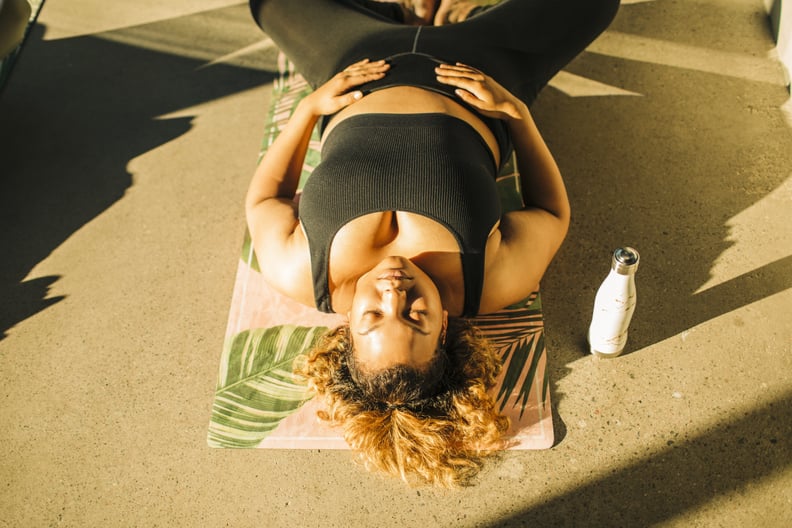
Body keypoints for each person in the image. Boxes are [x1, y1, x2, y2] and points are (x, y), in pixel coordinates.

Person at [246, 0, 620, 486]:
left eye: (374, 315)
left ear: (346, 333)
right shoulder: (487, 281)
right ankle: (453, 16)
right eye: (416, 316)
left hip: (354, 60)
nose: (394, 291)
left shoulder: (302, 271)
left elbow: (265, 199)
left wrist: (309, 108)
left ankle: (404, 12)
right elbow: (552, 212)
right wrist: (516, 112)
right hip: (482, 62)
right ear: (444, 328)